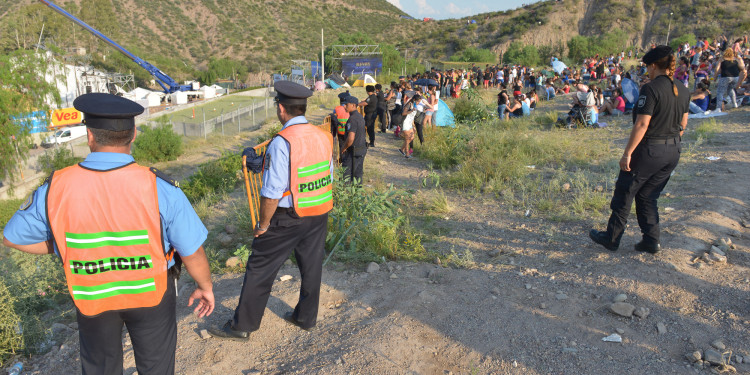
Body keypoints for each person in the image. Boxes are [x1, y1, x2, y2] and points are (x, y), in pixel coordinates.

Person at [2, 93, 214, 374]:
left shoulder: (57, 187)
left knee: (100, 367)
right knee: (157, 365)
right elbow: (191, 250)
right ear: (134, 134)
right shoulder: (157, 185)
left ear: (90, 136)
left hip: (92, 292)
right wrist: (205, 286)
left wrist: (66, 247)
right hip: (150, 292)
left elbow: (13, 237)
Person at [209, 81, 333, 340]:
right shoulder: (323, 136)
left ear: (281, 109)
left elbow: (271, 192)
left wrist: (263, 225)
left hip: (287, 218)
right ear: (303, 107)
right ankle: (305, 317)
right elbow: (326, 174)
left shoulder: (282, 142)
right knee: (312, 267)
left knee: (260, 268)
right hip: (318, 211)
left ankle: (242, 325)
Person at [589, 45, 689, 254]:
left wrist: (628, 153)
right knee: (648, 196)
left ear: (654, 66)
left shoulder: (651, 89)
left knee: (625, 193)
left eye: (647, 67)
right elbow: (683, 123)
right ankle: (651, 240)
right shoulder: (682, 88)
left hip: (650, 150)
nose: (647, 71)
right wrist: (671, 142)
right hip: (672, 150)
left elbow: (642, 125)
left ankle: (611, 238)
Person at [340, 95, 368, 182]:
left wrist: (343, 148)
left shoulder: (352, 119)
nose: (344, 106)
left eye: (346, 104)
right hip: (361, 149)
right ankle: (357, 194)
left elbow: (350, 138)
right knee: (357, 176)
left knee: (346, 177)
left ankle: (347, 194)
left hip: (353, 152)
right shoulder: (360, 116)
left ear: (353, 105)